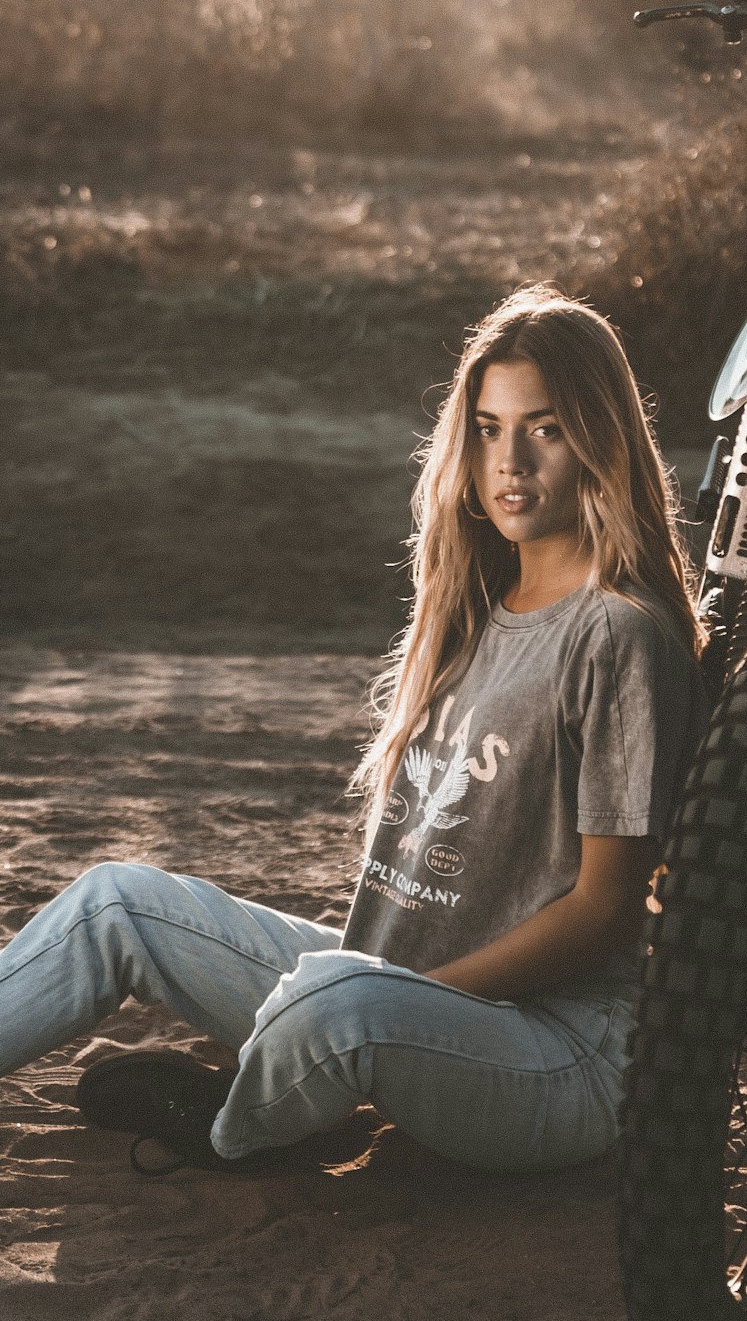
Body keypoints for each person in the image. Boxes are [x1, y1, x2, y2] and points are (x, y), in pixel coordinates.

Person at [0, 284, 709, 1175]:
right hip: (392, 995)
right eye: (488, 428)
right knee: (117, 905)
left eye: (547, 428)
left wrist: (387, 993)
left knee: (336, 997)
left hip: (562, 1052)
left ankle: (240, 1130)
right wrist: (381, 986)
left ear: (600, 440)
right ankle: (304, 1077)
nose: (510, 462)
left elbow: (604, 911)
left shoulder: (619, 633)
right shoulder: (478, 610)